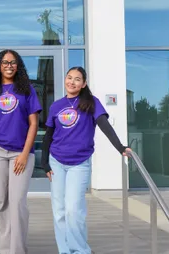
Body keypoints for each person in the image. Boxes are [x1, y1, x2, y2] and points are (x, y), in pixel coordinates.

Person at [41, 66, 131, 254]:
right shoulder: (56, 105)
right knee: (59, 211)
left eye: (77, 79)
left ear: (83, 84)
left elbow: (105, 126)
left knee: (74, 210)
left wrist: (120, 147)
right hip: (56, 161)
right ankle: (65, 250)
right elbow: (49, 135)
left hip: (79, 163)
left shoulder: (91, 103)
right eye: (69, 78)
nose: (71, 82)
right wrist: (44, 162)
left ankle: (81, 250)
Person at [0, 49, 42, 254]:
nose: (9, 66)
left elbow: (34, 124)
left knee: (18, 202)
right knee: (2, 202)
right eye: (5, 62)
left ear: (18, 65)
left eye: (13, 62)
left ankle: (18, 250)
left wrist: (24, 153)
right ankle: (6, 250)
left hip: (21, 152)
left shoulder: (27, 90)